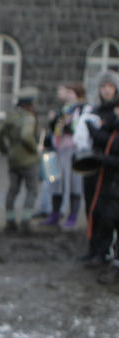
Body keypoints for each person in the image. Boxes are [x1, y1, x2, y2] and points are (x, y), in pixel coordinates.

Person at [82, 70, 119, 275]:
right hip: (99, 170)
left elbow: (110, 142)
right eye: (103, 86)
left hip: (111, 174)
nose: (106, 90)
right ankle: (94, 249)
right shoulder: (96, 111)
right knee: (94, 210)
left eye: (110, 87)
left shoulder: (112, 116)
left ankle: (105, 253)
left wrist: (96, 134)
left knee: (109, 216)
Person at [42, 83, 92, 230]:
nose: (68, 95)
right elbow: (54, 129)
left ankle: (73, 217)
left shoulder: (83, 110)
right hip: (57, 149)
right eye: (67, 92)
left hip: (73, 151)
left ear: (78, 94)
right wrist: (54, 121)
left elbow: (81, 130)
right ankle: (55, 214)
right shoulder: (63, 110)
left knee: (74, 184)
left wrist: (67, 126)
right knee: (55, 182)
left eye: (71, 92)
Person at [0, 86, 42, 234]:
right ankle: (26, 221)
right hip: (28, 159)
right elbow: (26, 136)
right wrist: (35, 149)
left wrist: (4, 150)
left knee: (13, 190)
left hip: (12, 158)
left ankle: (10, 221)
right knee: (32, 190)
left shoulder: (11, 115)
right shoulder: (28, 117)